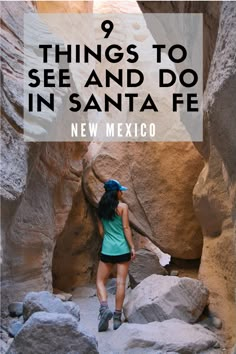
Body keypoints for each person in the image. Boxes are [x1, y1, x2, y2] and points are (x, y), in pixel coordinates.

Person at [96, 179, 136, 332]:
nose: (122, 192)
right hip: (122, 249)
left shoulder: (100, 208)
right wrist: (132, 246)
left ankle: (104, 307)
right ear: (116, 192)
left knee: (100, 281)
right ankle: (117, 318)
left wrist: (109, 240)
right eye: (121, 190)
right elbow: (126, 228)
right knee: (120, 283)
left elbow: (101, 232)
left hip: (107, 250)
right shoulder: (123, 207)